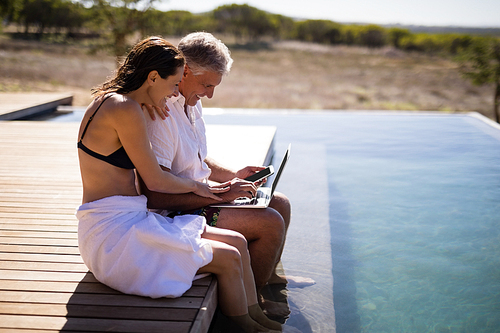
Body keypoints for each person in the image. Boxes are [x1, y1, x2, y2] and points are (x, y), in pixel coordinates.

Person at [76, 36, 282, 332]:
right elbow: (155, 180)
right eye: (173, 85)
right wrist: (208, 191)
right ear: (152, 77)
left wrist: (151, 99)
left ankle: (253, 317)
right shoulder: (125, 109)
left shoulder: (115, 102)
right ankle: (244, 326)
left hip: (127, 217)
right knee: (228, 256)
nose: (174, 93)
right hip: (114, 235)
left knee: (236, 243)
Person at [139, 32, 294, 315]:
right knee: (268, 222)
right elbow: (156, 194)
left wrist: (232, 175)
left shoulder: (191, 101)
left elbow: (195, 157)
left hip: (202, 196)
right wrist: (217, 195)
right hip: (178, 211)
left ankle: (269, 276)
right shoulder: (161, 114)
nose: (209, 94)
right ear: (184, 72)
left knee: (279, 202)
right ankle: (254, 297)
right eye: (206, 84)